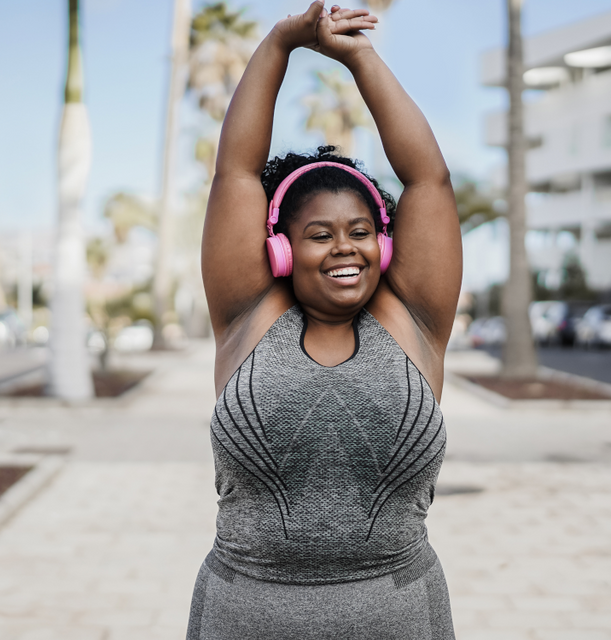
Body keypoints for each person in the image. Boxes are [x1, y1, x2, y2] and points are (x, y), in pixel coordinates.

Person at [190, 2, 462, 638]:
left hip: (399, 617)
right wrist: (282, 41)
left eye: (361, 231)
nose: (345, 247)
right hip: (244, 616)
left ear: (384, 243)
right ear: (281, 249)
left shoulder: (411, 321)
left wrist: (360, 57)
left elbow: (430, 180)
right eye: (320, 234)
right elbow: (234, 171)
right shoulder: (249, 318)